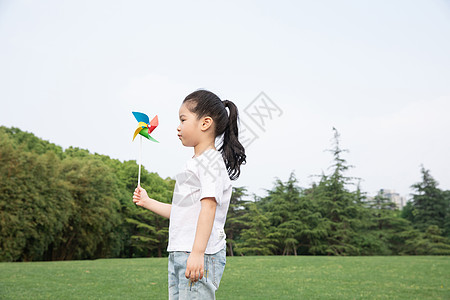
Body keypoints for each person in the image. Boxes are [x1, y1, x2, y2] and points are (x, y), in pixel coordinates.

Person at [132, 89, 246, 299]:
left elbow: (209, 207)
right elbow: (182, 212)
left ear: (205, 123)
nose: (178, 126)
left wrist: (197, 252)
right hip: (181, 251)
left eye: (183, 119)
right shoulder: (195, 164)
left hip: (197, 252)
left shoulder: (210, 162)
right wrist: (148, 202)